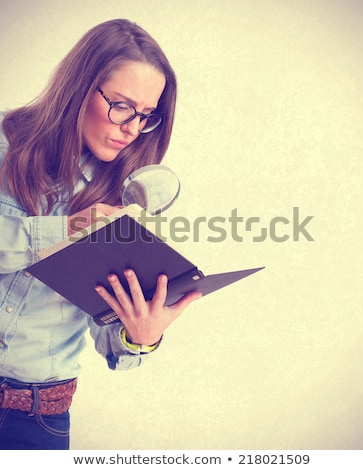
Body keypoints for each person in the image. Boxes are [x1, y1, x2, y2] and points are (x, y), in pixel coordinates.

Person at [0, 18, 201, 450]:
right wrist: (69, 229)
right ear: (80, 87)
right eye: (123, 106)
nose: (131, 128)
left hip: (36, 421)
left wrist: (139, 336)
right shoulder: (3, 145)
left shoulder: (122, 199)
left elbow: (108, 333)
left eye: (146, 116)